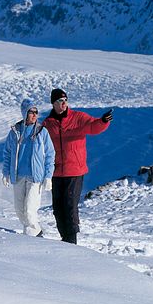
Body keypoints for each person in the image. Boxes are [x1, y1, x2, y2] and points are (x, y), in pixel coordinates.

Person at [43, 88, 113, 244]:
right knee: (58, 207)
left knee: (69, 205)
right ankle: (64, 238)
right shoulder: (47, 124)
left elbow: (93, 126)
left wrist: (103, 121)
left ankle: (72, 239)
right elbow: (40, 144)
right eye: (60, 101)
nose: (64, 103)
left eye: (66, 100)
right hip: (55, 172)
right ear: (53, 103)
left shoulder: (78, 117)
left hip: (74, 170)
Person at [2, 98, 55, 237]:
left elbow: (50, 154)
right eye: (31, 112)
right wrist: (6, 172)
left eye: (36, 112)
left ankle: (31, 238)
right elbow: (7, 153)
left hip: (35, 177)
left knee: (30, 211)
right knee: (19, 210)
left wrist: (48, 176)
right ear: (24, 113)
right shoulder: (15, 132)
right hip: (18, 175)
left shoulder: (42, 131)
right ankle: (35, 232)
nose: (34, 115)